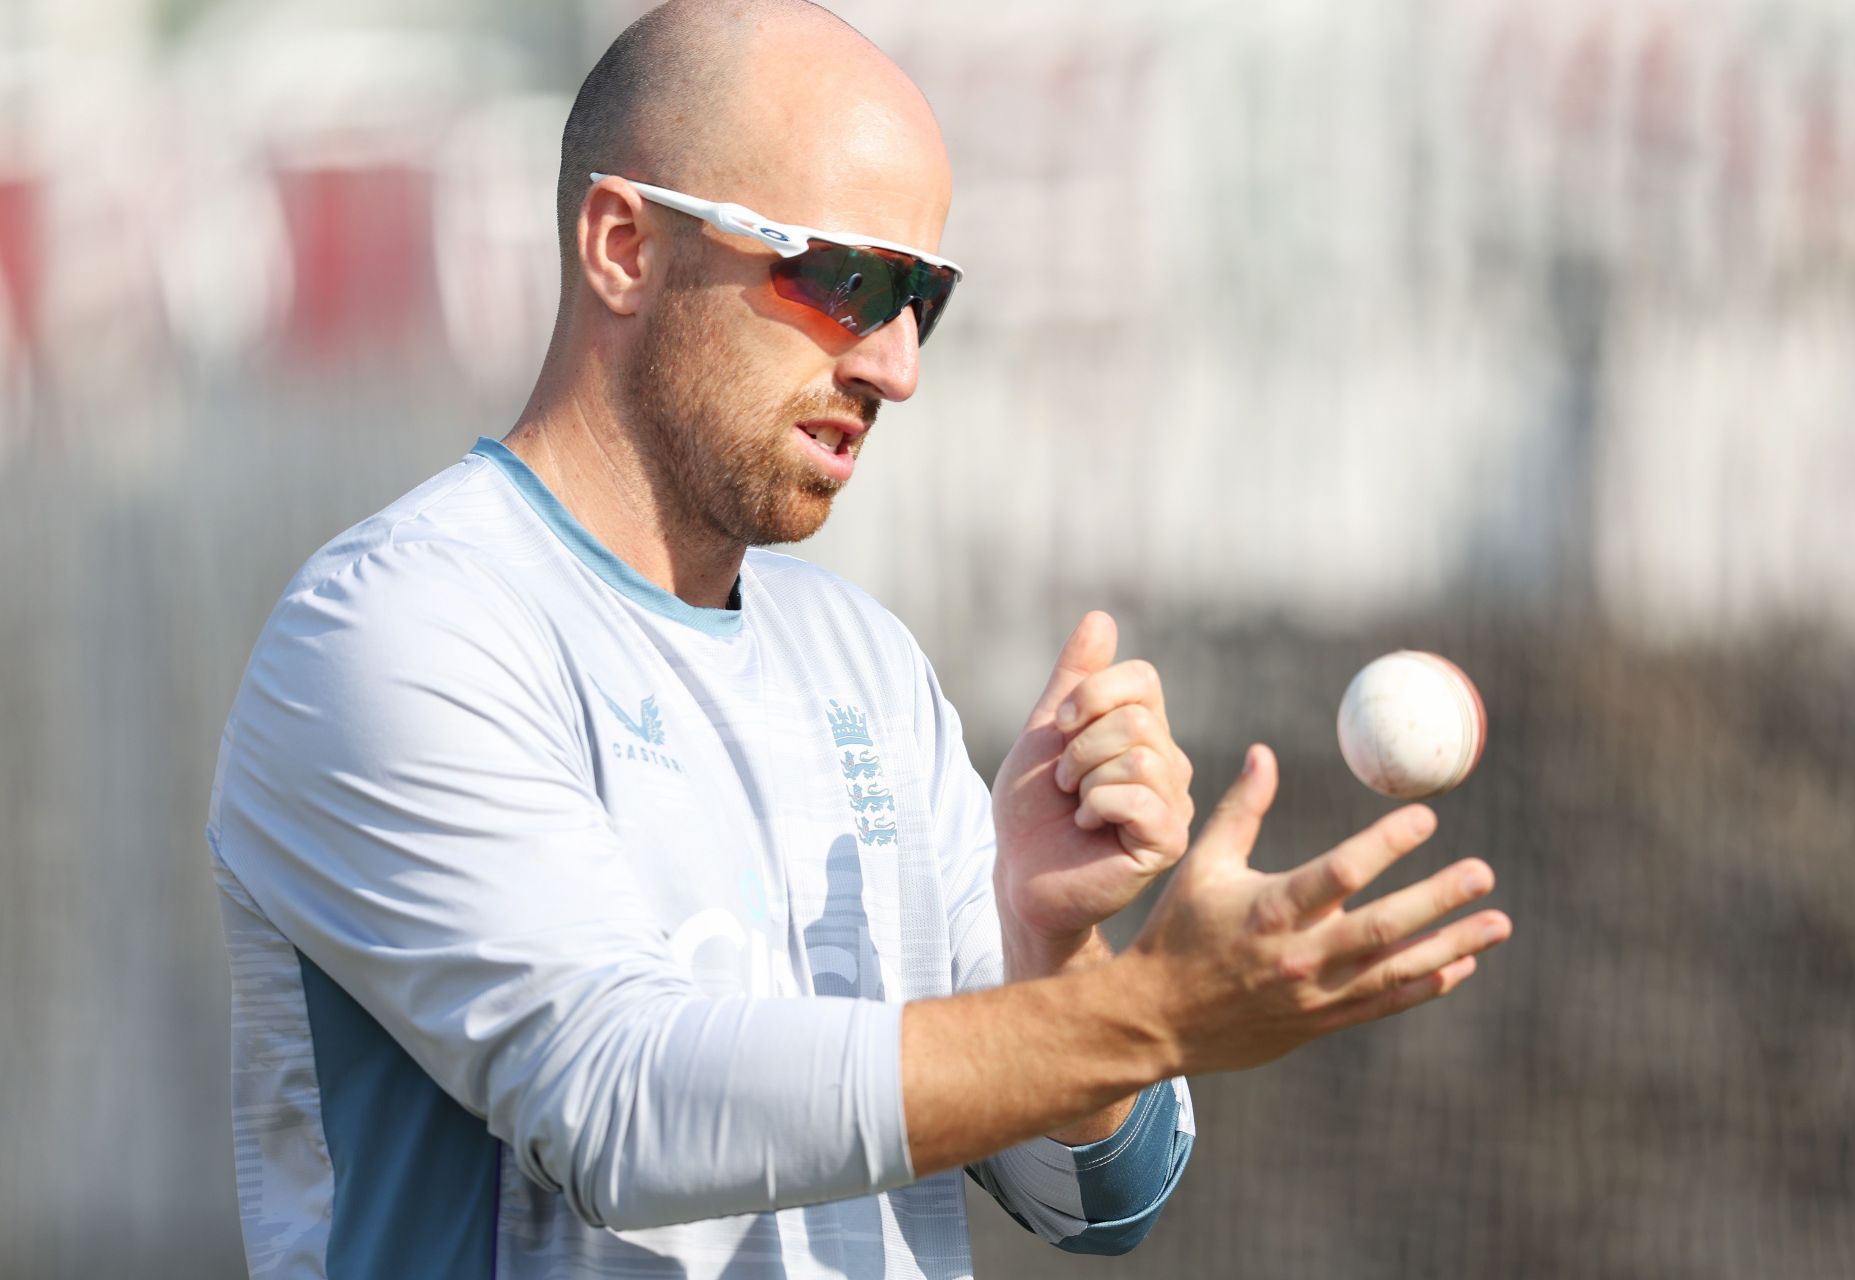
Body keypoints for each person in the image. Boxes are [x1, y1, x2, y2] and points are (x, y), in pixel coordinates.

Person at [206, 2, 1512, 1276]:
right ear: (622, 246)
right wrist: (1147, 1013)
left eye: (922, 299)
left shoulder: (864, 665)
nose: (897, 367)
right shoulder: (398, 629)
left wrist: (1046, 940)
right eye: (846, 279)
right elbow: (620, 1109)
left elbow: (1093, 1203)